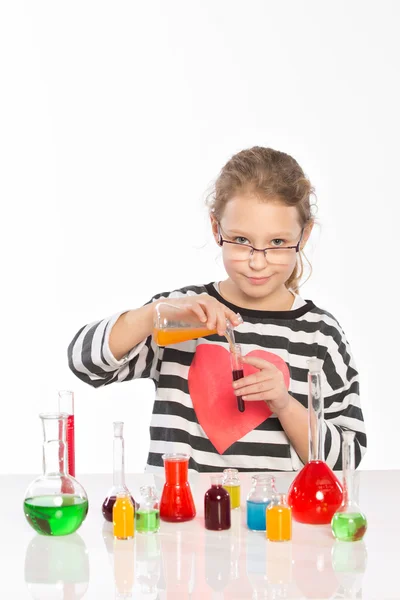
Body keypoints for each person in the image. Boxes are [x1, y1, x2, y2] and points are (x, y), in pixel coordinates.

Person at [68, 146, 366, 474]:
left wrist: (284, 404)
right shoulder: (179, 316)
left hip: (276, 523)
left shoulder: (320, 333)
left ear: (304, 235)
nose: (257, 260)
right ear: (216, 229)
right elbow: (86, 364)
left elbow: (345, 460)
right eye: (240, 239)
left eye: (278, 243)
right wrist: (154, 314)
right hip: (177, 522)